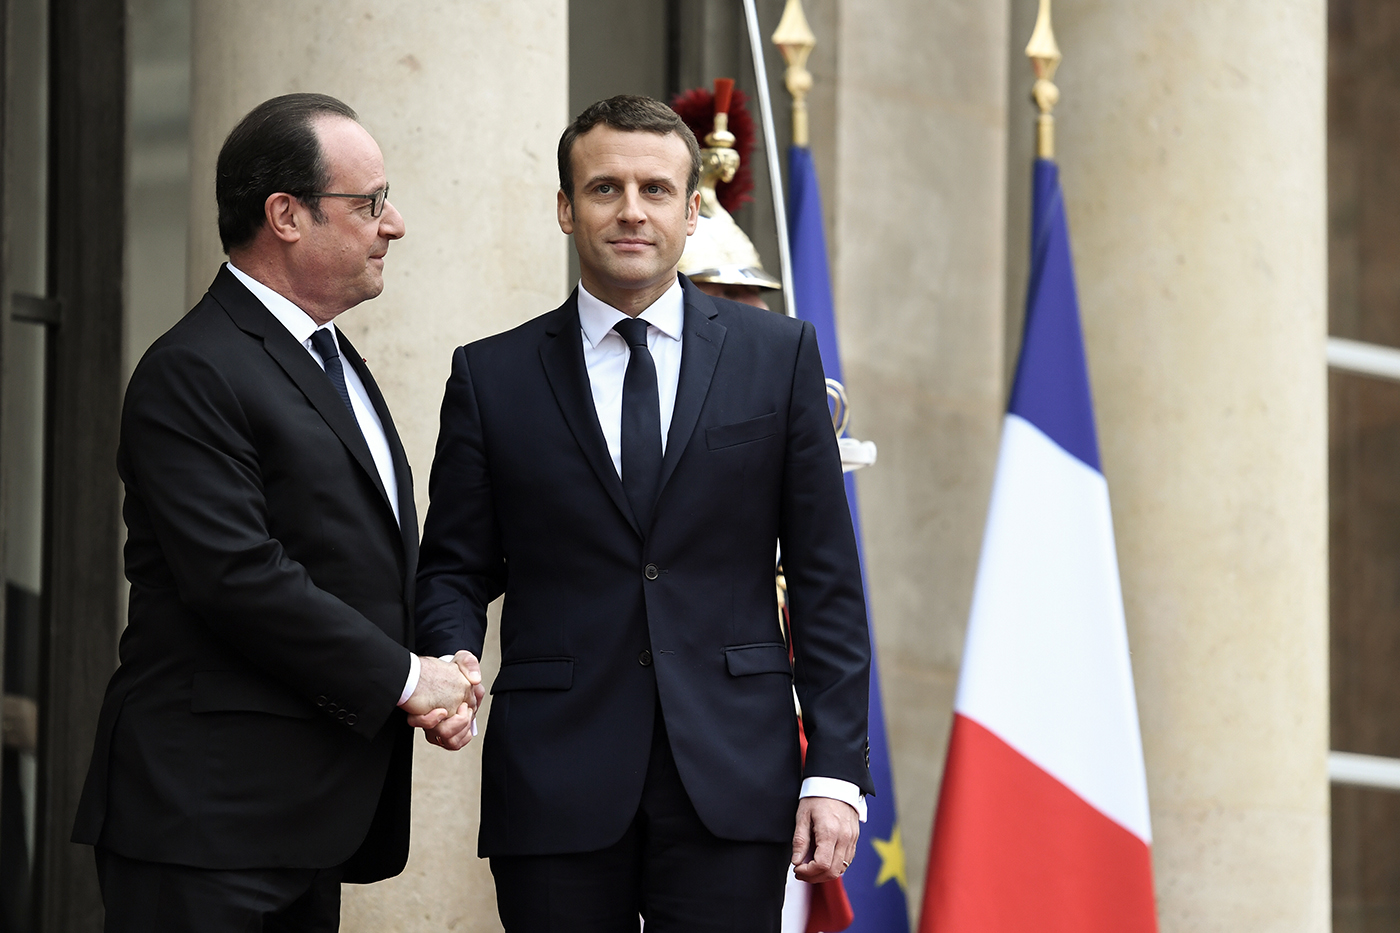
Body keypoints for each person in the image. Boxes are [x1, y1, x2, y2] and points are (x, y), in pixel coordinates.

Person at [415, 94, 872, 932]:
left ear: (691, 211)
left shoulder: (779, 358)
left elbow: (825, 578)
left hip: (734, 774)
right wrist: (451, 653)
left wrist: (836, 770)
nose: (632, 210)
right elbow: (453, 563)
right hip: (554, 775)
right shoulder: (491, 376)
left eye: (656, 189)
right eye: (604, 188)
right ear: (565, 207)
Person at [72, 93, 482, 932]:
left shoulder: (330, 356)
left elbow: (358, 556)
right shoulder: (192, 370)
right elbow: (239, 576)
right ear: (285, 215)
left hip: (302, 823)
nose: (393, 224)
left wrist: (442, 662)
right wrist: (408, 680)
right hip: (206, 822)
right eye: (369, 202)